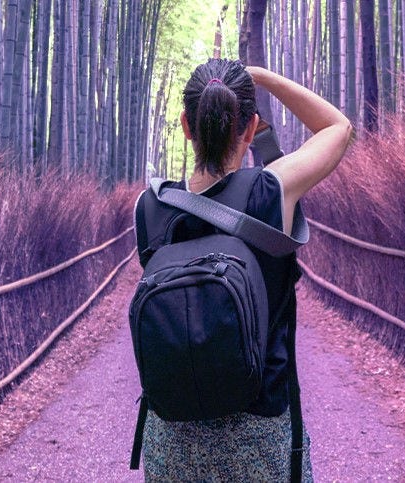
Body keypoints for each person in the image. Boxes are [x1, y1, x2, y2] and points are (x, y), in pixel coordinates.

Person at [135, 58, 352, 481]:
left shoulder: (151, 205)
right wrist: (262, 76)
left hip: (171, 438)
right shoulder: (270, 190)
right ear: (251, 129)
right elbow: (338, 128)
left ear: (185, 125)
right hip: (261, 433)